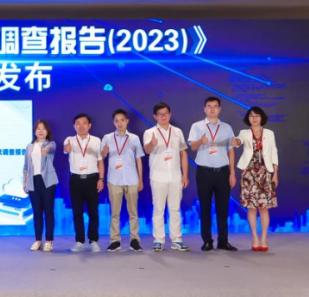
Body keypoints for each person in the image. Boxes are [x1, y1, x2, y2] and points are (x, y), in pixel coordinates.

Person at [188, 97, 237, 252]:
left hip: (223, 172)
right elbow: (193, 147)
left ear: (219, 109)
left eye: (215, 106)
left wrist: (232, 173)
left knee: (223, 208)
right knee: (205, 207)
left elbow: (231, 150)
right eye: (209, 106)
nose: (212, 109)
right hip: (204, 172)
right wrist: (200, 141)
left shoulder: (227, 128)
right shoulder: (197, 126)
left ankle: (223, 241)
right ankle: (207, 241)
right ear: (204, 109)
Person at [143, 103, 190, 252]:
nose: (163, 116)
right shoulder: (150, 132)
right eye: (160, 114)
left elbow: (183, 153)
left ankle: (177, 240)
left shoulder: (177, 131)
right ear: (155, 116)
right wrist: (152, 144)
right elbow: (147, 150)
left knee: (175, 209)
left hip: (176, 176)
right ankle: (158, 240)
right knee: (158, 209)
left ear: (170, 115)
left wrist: (185, 175)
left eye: (165, 114)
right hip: (158, 176)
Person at [232, 106, 279, 252]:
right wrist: (236, 142)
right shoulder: (244, 133)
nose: (254, 118)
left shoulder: (269, 133)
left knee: (264, 208)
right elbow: (239, 140)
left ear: (261, 117)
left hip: (265, 173)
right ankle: (254, 237)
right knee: (251, 208)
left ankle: (264, 238)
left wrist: (275, 173)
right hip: (249, 174)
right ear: (248, 118)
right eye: (251, 116)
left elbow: (274, 152)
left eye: (257, 116)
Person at [101, 109, 145, 252]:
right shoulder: (107, 138)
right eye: (117, 121)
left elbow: (139, 160)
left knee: (133, 212)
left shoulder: (134, 138)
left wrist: (140, 180)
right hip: (114, 180)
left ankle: (134, 240)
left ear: (127, 121)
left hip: (132, 179)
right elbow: (101, 156)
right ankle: (115, 240)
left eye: (122, 120)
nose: (119, 123)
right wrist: (104, 152)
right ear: (113, 122)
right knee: (115, 212)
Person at [63, 113, 104, 252]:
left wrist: (101, 179)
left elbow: (100, 161)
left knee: (93, 212)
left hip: (92, 179)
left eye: (84, 123)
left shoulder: (96, 140)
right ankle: (79, 241)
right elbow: (66, 149)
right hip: (75, 180)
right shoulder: (69, 139)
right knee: (77, 212)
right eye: (78, 123)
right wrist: (68, 147)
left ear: (89, 125)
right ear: (74, 126)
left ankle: (93, 241)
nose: (81, 126)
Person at [23, 119, 58, 252]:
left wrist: (46, 150)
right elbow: (25, 166)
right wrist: (25, 182)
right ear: (35, 131)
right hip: (33, 181)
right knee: (37, 212)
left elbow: (51, 149)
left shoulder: (51, 144)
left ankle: (49, 241)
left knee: (48, 211)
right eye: (38, 128)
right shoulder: (29, 146)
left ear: (47, 131)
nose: (41, 131)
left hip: (48, 181)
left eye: (43, 128)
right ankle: (38, 240)